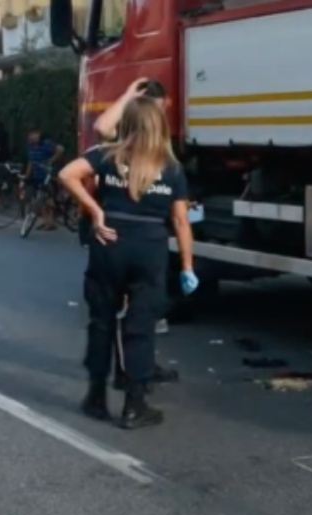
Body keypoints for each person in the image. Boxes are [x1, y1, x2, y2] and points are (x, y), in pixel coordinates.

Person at [58, 98, 200, 429]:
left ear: (128, 125)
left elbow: (67, 174)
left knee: (101, 320)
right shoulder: (171, 167)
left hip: (109, 243)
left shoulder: (108, 155)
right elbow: (181, 222)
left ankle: (95, 396)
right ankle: (135, 405)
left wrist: (95, 211)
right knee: (140, 327)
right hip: (148, 249)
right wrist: (188, 268)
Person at [92, 77, 179, 387]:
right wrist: (128, 94)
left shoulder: (162, 143)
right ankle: (128, 375)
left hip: (147, 233)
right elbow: (102, 128)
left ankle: (140, 366)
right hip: (127, 233)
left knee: (145, 313)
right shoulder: (124, 139)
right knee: (129, 312)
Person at [23, 128, 64, 230]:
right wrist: (27, 175)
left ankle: (51, 222)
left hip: (48, 174)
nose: (32, 137)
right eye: (31, 135)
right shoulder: (31, 146)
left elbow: (60, 150)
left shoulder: (46, 144)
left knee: (47, 198)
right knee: (38, 199)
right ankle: (46, 221)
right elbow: (31, 161)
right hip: (37, 175)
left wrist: (51, 160)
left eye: (35, 134)